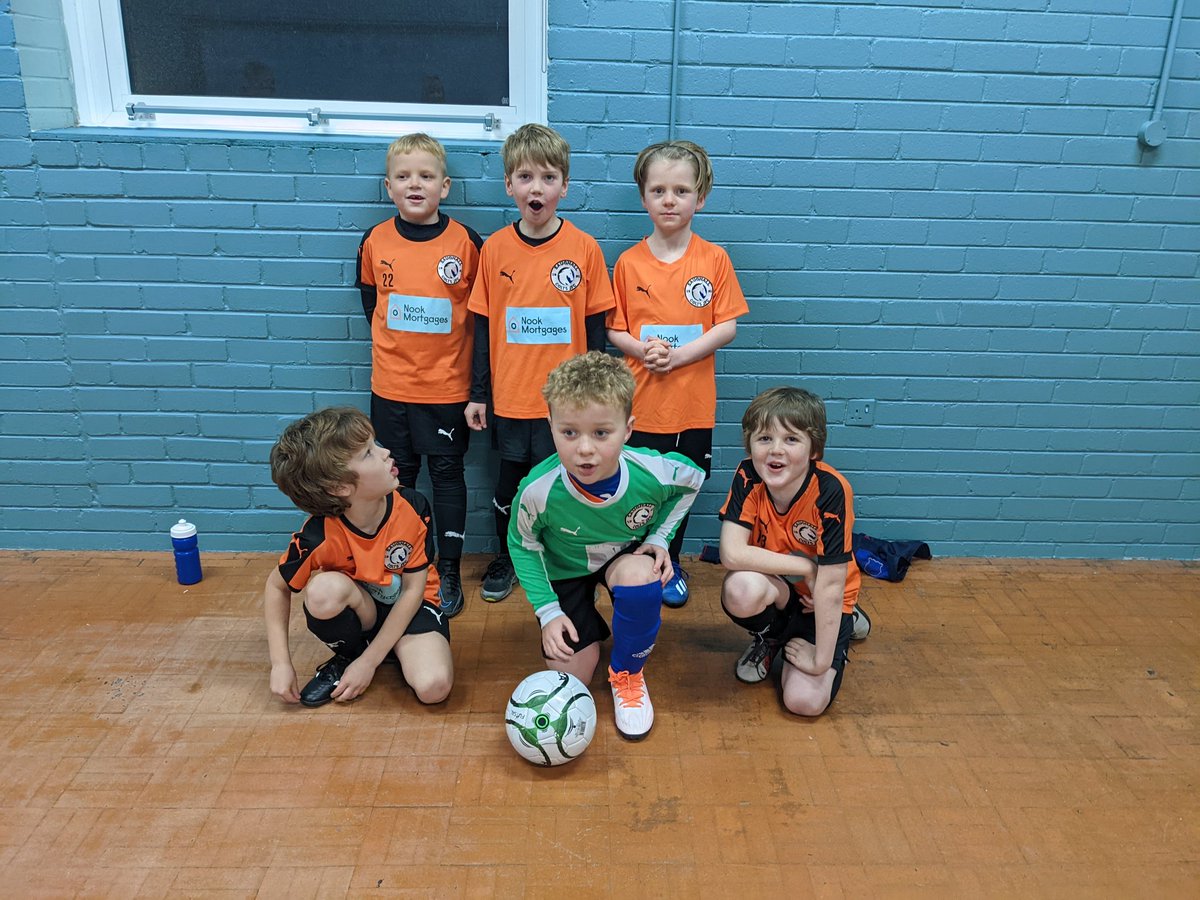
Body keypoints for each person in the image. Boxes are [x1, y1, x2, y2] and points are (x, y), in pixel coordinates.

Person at [509, 352, 705, 741]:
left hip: (619, 558)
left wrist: (658, 539)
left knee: (641, 575)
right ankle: (584, 623)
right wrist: (548, 612)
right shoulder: (536, 490)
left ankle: (628, 674)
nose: (585, 449)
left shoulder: (651, 471)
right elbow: (523, 545)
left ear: (627, 429)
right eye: (569, 432)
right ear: (550, 425)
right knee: (571, 675)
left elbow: (693, 480)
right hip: (564, 570)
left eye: (601, 433)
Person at [465, 123, 615, 602]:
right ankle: (509, 558)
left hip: (567, 404)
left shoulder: (585, 249)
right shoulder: (494, 249)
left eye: (548, 177)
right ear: (509, 185)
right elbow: (483, 329)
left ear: (564, 187)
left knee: (568, 481)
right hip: (511, 396)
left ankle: (563, 557)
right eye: (525, 177)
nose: (537, 188)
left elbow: (594, 333)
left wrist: (595, 397)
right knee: (511, 484)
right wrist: (479, 392)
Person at [607, 140, 748, 609]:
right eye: (659, 190)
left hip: (691, 405)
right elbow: (615, 329)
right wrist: (643, 351)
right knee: (640, 486)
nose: (670, 200)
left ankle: (670, 561)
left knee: (683, 486)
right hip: (641, 404)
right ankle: (632, 562)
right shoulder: (628, 263)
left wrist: (680, 356)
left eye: (681, 190)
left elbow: (725, 326)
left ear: (699, 198)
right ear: (644, 197)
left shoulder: (714, 260)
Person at [356, 133, 483, 617]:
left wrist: (474, 388)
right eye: (404, 177)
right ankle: (407, 564)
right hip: (389, 389)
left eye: (426, 176)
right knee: (398, 476)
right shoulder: (374, 241)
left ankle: (447, 567)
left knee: (447, 474)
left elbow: (480, 315)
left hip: (446, 389)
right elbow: (372, 305)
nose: (415, 185)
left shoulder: (466, 243)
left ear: (444, 186)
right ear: (389, 187)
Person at [263, 407, 453, 709]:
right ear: (340, 487)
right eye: (368, 453)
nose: (385, 452)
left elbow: (413, 591)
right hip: (364, 612)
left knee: (434, 687)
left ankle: (377, 653)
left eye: (375, 444)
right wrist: (280, 664)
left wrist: (369, 663)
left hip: (411, 606)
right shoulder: (318, 534)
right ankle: (349, 655)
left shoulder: (413, 507)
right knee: (323, 591)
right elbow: (277, 587)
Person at [718, 387, 872, 717]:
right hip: (788, 593)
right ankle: (771, 639)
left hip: (824, 598)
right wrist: (805, 567)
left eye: (791, 439)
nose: (776, 451)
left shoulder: (831, 490)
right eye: (764, 439)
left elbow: (830, 584)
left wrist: (820, 662)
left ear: (814, 448)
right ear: (750, 445)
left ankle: (844, 622)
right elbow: (731, 553)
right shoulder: (748, 475)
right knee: (741, 588)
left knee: (803, 703)